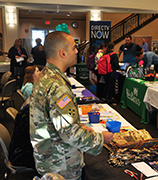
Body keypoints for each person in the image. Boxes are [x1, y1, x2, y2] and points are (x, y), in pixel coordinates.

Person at [30, 31, 113, 180]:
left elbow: (55, 122)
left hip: (48, 157)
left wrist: (78, 127)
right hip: (61, 164)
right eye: (74, 48)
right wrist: (101, 138)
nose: (76, 51)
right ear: (62, 53)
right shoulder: (58, 87)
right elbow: (70, 134)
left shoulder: (45, 76)